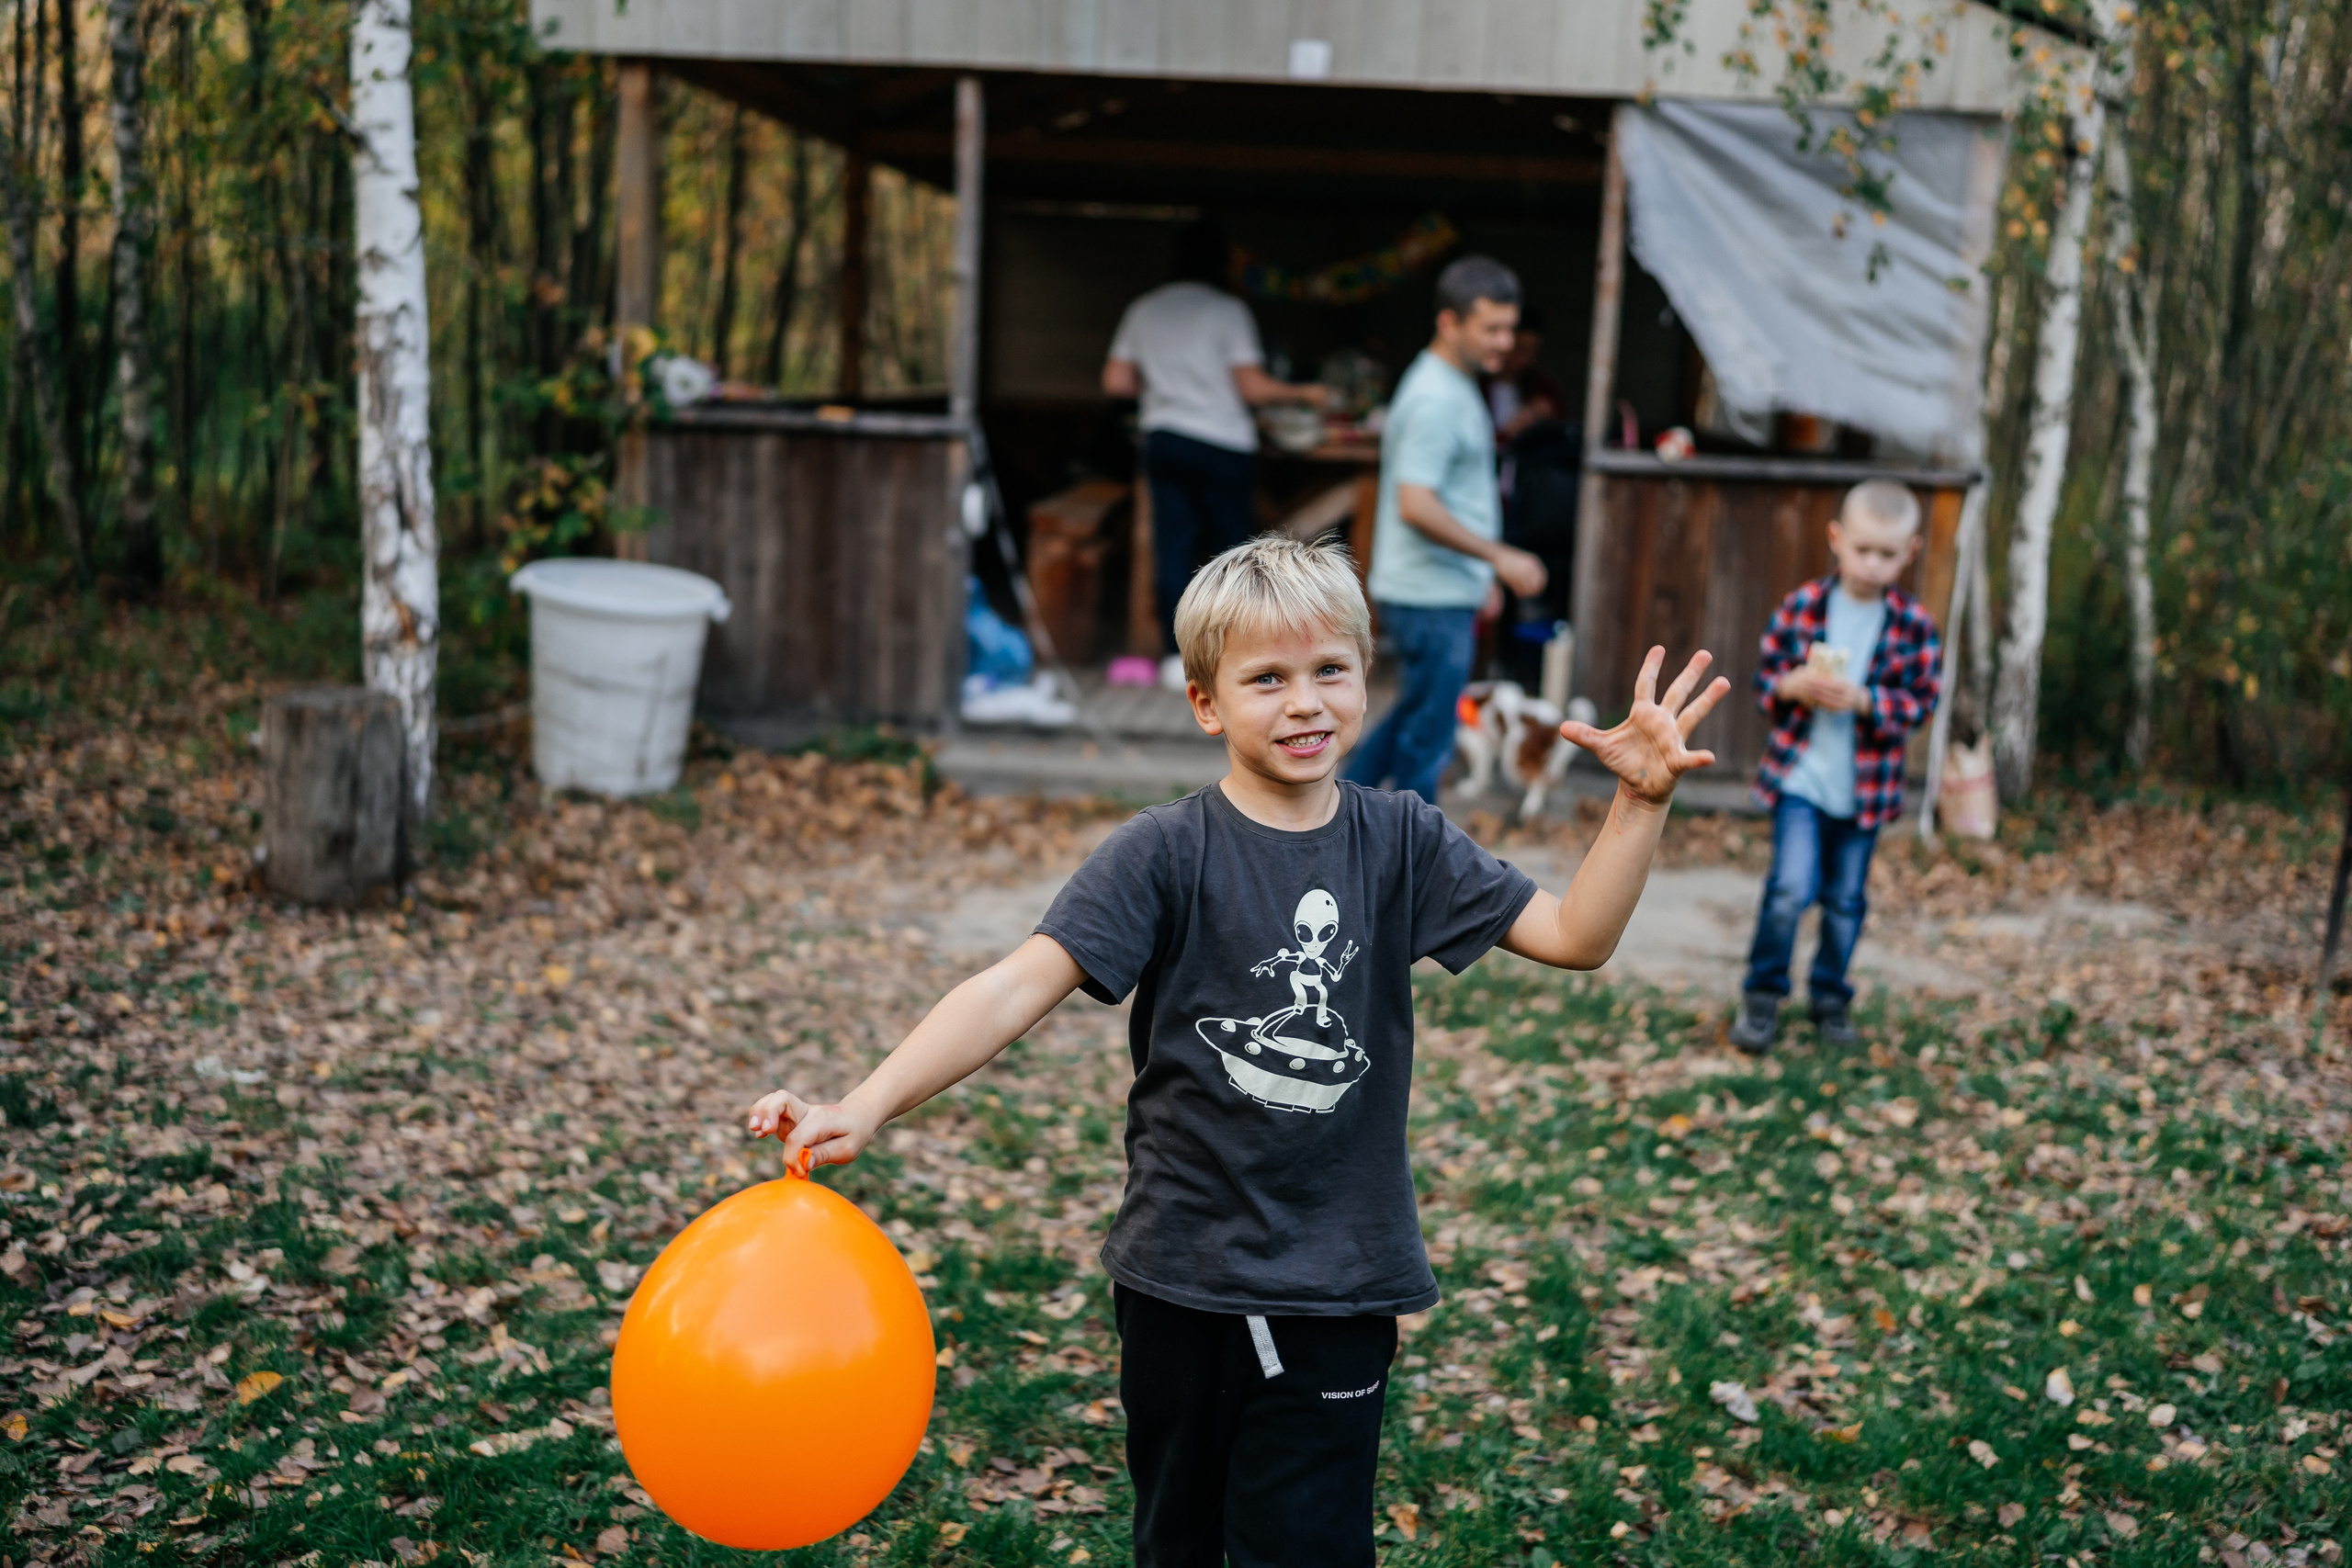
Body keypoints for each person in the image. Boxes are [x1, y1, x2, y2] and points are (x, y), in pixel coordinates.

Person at [748, 534, 1728, 1568]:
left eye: (1329, 672)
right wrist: (868, 1101)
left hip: (1337, 1285)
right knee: (1180, 1544)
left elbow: (1576, 937)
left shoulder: (1402, 841)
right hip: (1180, 1282)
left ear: (1363, 678)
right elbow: (1011, 988)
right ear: (1206, 703)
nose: (1304, 703)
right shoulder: (1164, 853)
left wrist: (1640, 803)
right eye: (1267, 679)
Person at [1728, 480, 1943, 1055]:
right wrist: (1791, 686)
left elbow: (1923, 701)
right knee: (1788, 890)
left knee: (1846, 900)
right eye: (1864, 550)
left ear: (1911, 553)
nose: (1873, 565)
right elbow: (1765, 683)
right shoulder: (1802, 607)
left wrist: (1869, 701)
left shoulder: (1914, 625)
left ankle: (1829, 997)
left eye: (1888, 554)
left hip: (1865, 793)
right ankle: (1763, 994)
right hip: (1801, 780)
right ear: (1837, 540)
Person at [1344, 255, 1548, 804]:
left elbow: (1458, 496)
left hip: (1442, 588)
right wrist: (1498, 557)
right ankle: (1412, 870)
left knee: (1415, 717)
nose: (1506, 342)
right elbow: (1416, 504)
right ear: (1449, 323)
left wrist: (1480, 576)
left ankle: (1325, 814)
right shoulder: (1434, 397)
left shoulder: (1457, 384)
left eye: (1511, 327)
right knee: (1428, 745)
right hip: (1426, 594)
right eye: (1492, 328)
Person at [1103, 220, 1328, 692]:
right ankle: (1237, 655)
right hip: (1223, 442)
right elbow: (1253, 388)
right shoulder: (1228, 311)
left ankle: (1174, 659)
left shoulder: (1144, 308)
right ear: (1224, 264)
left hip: (1164, 438)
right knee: (1233, 552)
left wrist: (1167, 388)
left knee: (1173, 547)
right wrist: (1305, 392)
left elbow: (1116, 383)